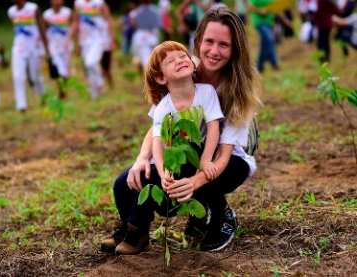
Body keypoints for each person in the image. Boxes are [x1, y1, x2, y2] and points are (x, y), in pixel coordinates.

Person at [100, 7, 261, 254]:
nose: (214, 51)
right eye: (209, 41)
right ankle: (132, 230)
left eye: (224, 45)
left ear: (235, 49)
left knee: (189, 157)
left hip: (226, 163)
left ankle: (222, 215)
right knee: (128, 180)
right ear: (198, 41)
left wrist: (193, 183)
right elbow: (158, 126)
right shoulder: (183, 69)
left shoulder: (237, 90)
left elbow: (223, 156)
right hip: (185, 152)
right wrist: (142, 159)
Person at [147, 41, 224, 191]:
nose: (179, 60)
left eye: (183, 56)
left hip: (208, 147)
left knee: (207, 173)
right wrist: (164, 172)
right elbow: (158, 141)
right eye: (170, 61)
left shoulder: (207, 92)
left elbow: (213, 126)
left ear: (193, 64)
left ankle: (217, 209)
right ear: (161, 78)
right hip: (180, 153)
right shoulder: (163, 108)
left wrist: (206, 160)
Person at [8, 0, 49, 112]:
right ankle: (21, 105)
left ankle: (43, 97)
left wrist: (47, 48)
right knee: (18, 76)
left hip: (34, 48)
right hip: (18, 48)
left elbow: (41, 28)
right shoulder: (11, 12)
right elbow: (15, 28)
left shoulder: (33, 8)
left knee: (35, 77)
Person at [69, 0, 114, 100]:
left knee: (90, 63)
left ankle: (99, 84)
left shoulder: (100, 3)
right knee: (88, 66)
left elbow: (108, 20)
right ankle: (94, 94)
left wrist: (111, 40)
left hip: (99, 39)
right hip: (84, 40)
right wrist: (75, 42)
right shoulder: (78, 3)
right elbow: (76, 22)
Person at [43, 0, 73, 99]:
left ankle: (63, 91)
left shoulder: (68, 13)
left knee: (64, 70)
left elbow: (74, 26)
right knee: (59, 70)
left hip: (65, 46)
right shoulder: (46, 15)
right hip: (53, 46)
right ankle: (62, 91)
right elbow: (43, 31)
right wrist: (46, 48)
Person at [130, 0, 162, 72]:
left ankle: (150, 78)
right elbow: (158, 26)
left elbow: (133, 25)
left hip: (142, 38)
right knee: (155, 60)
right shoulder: (156, 11)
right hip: (152, 37)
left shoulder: (136, 12)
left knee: (146, 61)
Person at [248, 0, 279, 72]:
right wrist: (259, 10)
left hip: (269, 22)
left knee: (265, 42)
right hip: (259, 22)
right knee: (269, 39)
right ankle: (273, 62)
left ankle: (260, 65)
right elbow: (250, 7)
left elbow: (274, 8)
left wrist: (274, 22)